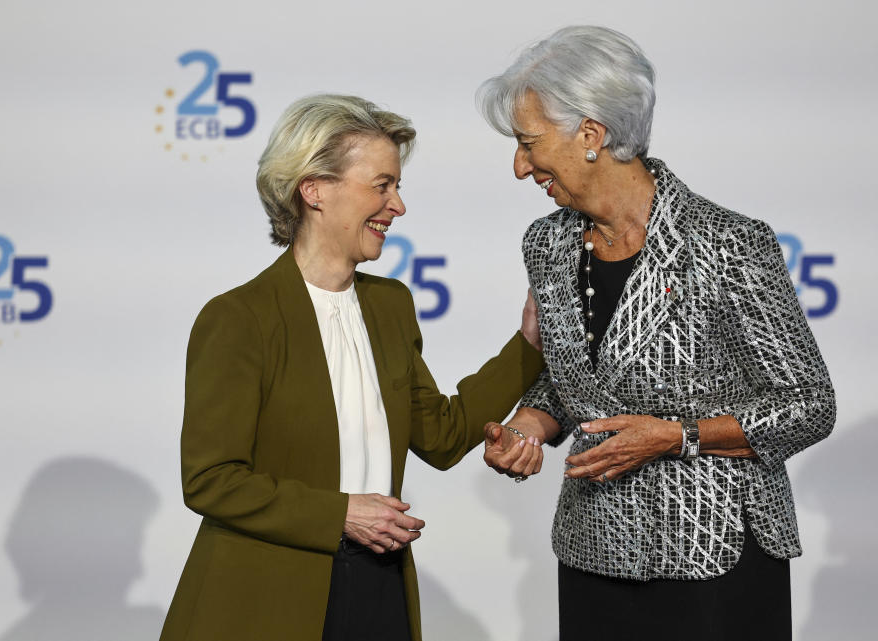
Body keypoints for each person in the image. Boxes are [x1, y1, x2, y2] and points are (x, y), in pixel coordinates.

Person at [477, 26, 836, 640]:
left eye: (529, 143)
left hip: (713, 552)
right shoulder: (547, 243)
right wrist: (528, 428)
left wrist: (677, 436)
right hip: (596, 552)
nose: (519, 166)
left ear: (591, 134)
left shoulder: (728, 244)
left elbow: (809, 407)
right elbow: (578, 382)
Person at [158, 94, 545, 641]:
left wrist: (529, 343)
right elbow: (210, 480)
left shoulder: (390, 305)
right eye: (381, 185)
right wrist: (339, 514)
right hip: (267, 599)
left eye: (398, 187)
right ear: (313, 189)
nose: (398, 206)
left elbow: (441, 435)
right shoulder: (238, 318)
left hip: (377, 588)